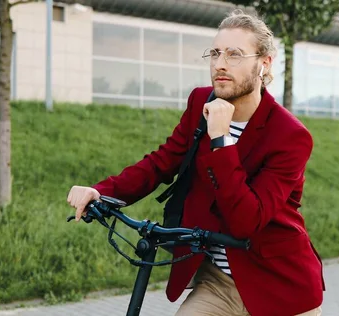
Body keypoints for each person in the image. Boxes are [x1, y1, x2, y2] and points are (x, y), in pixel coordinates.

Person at [66, 9, 325, 316]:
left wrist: (221, 140)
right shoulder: (200, 103)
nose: (220, 64)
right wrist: (101, 191)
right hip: (219, 283)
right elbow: (161, 163)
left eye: (235, 55)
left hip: (278, 286)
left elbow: (246, 221)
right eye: (215, 53)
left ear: (264, 64)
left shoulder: (290, 136)